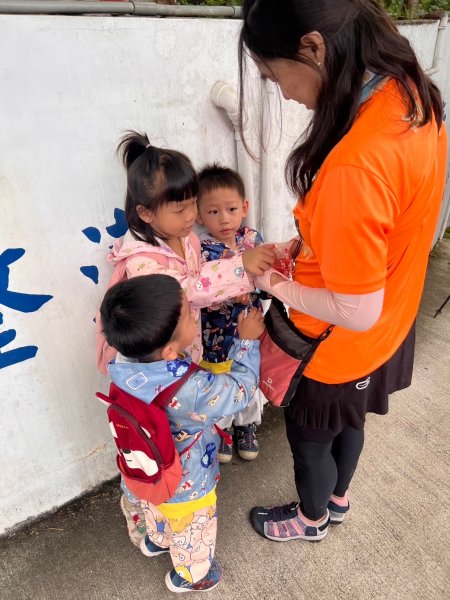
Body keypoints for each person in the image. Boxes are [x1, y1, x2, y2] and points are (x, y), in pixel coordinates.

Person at [238, 0, 447, 542]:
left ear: (312, 47)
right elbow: (379, 230)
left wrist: (270, 282)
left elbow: (355, 308)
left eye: (273, 74)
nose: (281, 92)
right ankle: (338, 500)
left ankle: (310, 521)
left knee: (310, 444)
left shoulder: (357, 161)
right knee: (350, 426)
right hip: (389, 330)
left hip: (336, 347)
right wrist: (302, 246)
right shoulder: (411, 95)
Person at [109, 131, 276, 547]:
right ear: (147, 214)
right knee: (166, 442)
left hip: (182, 356)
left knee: (178, 431)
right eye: (181, 209)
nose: (192, 218)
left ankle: (154, 521)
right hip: (163, 372)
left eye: (191, 206)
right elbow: (184, 291)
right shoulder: (143, 260)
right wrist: (240, 268)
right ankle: (168, 516)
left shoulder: (182, 237)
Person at [100, 274, 264, 592]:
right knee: (193, 530)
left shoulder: (123, 363)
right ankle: (190, 575)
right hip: (185, 482)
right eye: (190, 314)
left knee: (157, 510)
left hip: (146, 472)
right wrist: (247, 343)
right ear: (171, 351)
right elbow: (239, 392)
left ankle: (157, 541)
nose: (194, 317)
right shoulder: (189, 390)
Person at [196, 163, 268, 464]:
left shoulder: (253, 239)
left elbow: (267, 277)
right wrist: (229, 288)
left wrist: (255, 288)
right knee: (219, 379)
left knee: (249, 375)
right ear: (199, 215)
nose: (224, 219)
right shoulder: (202, 248)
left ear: (245, 207)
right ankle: (221, 427)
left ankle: (247, 425)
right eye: (213, 212)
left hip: (249, 330)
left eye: (231, 209)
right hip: (216, 335)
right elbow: (201, 289)